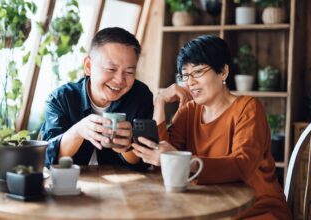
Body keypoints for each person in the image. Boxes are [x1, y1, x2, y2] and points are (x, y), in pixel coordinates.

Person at [132, 35, 292, 219]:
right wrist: (159, 101)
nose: (190, 82)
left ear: (223, 72)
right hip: (210, 208)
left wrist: (179, 161)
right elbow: (162, 159)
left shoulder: (248, 108)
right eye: (185, 75)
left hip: (257, 210)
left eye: (198, 72)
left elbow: (241, 166)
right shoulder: (189, 110)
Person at [41, 27, 153, 170]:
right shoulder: (61, 98)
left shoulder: (140, 96)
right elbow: (48, 158)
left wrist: (128, 147)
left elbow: (144, 162)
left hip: (123, 186)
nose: (119, 80)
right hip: (70, 183)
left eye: (129, 72)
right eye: (111, 69)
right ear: (88, 66)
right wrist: (78, 131)